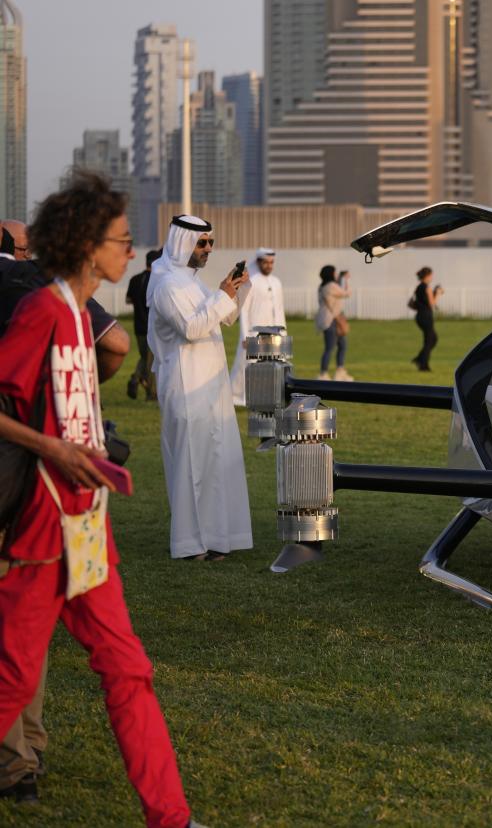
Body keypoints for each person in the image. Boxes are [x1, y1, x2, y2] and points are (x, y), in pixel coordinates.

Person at [0, 171, 203, 827]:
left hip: (87, 530)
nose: (129, 248)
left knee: (128, 670)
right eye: (120, 238)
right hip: (40, 535)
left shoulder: (78, 315)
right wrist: (52, 448)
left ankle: (170, 817)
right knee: (10, 683)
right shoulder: (42, 311)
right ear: (89, 247)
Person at [148, 214, 254, 561]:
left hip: (210, 388)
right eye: (202, 243)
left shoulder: (191, 282)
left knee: (215, 462)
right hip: (185, 385)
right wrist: (221, 295)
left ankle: (216, 538)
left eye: (210, 242)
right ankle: (190, 544)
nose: (208, 249)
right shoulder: (166, 284)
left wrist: (234, 289)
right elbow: (191, 328)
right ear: (183, 242)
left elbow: (223, 317)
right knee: (190, 465)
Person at [1, 219, 130, 381]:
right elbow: (116, 342)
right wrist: (82, 384)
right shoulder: (44, 280)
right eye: (23, 249)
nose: (28, 254)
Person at [229, 247, 285, 406]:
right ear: (259, 262)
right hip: (254, 332)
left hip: (273, 333)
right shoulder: (251, 281)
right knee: (246, 366)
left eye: (271, 263)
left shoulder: (276, 282)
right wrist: (246, 335)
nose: (269, 265)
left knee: (271, 366)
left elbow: (279, 309)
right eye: (266, 262)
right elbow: (244, 311)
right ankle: (237, 396)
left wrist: (283, 331)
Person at [124, 249, 160, 401]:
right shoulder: (157, 280)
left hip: (138, 326)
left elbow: (128, 300)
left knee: (144, 357)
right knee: (151, 361)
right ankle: (150, 393)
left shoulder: (134, 279)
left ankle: (136, 378)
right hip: (152, 327)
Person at [315, 265, 353, 381]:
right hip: (332, 320)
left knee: (341, 345)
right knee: (330, 347)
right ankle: (323, 374)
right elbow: (347, 293)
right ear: (331, 274)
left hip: (328, 319)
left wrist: (341, 279)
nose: (336, 275)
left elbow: (338, 290)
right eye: (335, 273)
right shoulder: (331, 286)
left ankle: (339, 371)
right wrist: (346, 279)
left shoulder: (322, 286)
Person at [410, 265, 442, 371]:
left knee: (433, 339)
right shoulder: (427, 287)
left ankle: (420, 359)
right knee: (429, 341)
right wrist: (437, 293)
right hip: (426, 316)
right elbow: (432, 304)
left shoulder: (418, 287)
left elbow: (412, 303)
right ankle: (423, 365)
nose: (432, 278)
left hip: (420, 316)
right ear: (427, 276)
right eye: (431, 275)